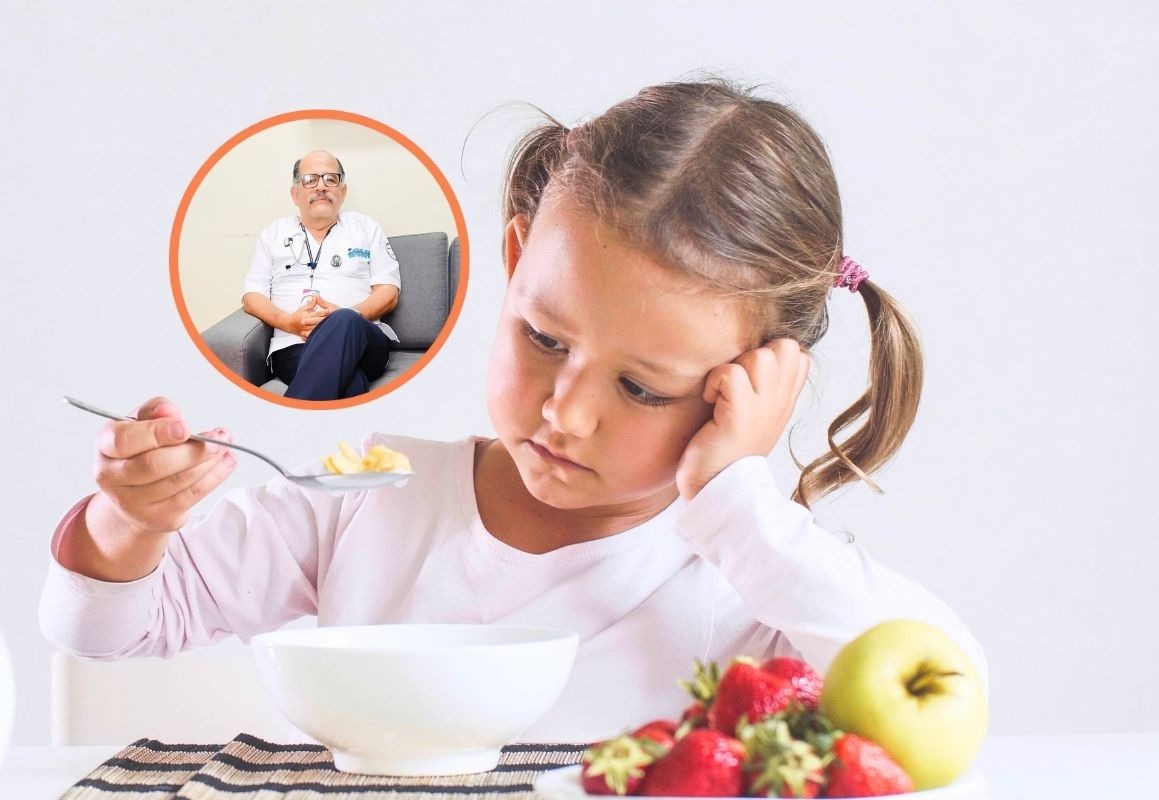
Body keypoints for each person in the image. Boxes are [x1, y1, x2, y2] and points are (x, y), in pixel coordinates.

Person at [41, 80, 985, 742]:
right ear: (516, 257)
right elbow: (103, 630)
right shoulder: (373, 495)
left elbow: (948, 688)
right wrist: (130, 523)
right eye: (545, 338)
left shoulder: (743, 575)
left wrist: (741, 504)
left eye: (642, 387)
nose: (566, 413)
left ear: (749, 386)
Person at [242, 149, 402, 400]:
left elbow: (389, 292)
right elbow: (252, 297)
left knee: (344, 319)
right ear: (295, 194)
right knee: (352, 384)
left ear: (343, 191)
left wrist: (346, 316)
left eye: (331, 179)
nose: (321, 186)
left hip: (365, 342)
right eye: (310, 179)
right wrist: (288, 323)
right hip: (294, 345)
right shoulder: (273, 233)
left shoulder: (366, 228)